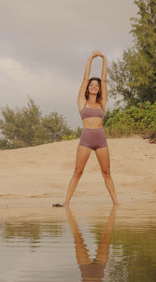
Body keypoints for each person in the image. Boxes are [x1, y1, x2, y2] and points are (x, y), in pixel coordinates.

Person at [63, 50, 119, 206]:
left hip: (101, 140)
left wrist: (105, 60)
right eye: (92, 85)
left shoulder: (102, 102)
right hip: (86, 140)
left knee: (107, 173)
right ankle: (66, 202)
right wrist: (90, 59)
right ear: (88, 88)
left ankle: (116, 203)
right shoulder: (82, 101)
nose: (94, 87)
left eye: (96, 86)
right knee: (78, 172)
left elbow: (105, 81)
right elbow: (85, 78)